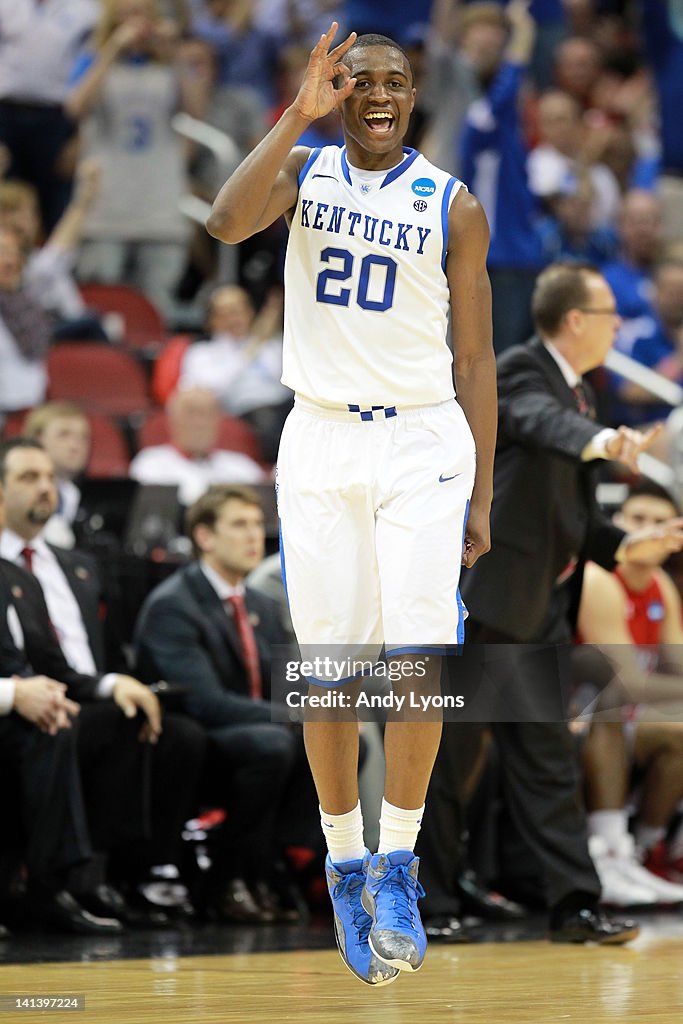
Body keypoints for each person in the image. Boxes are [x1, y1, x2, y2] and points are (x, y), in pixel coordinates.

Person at [207, 22, 497, 984]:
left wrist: (482, 491)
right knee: (329, 669)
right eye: (358, 80)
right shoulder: (302, 167)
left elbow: (474, 361)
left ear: (414, 97)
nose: (377, 95)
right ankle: (343, 865)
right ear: (337, 88)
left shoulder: (452, 205)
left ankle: (401, 863)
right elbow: (223, 221)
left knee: (416, 660)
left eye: (395, 82)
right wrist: (296, 112)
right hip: (321, 433)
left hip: (421, 438)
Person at [460, 260, 683, 943]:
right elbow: (531, 420)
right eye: (611, 311)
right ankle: (432, 901)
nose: (621, 323)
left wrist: (625, 550)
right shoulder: (525, 370)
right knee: (450, 765)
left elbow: (580, 521)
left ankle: (574, 905)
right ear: (576, 320)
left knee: (547, 762)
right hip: (490, 601)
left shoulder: (582, 393)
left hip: (536, 609)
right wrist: (602, 442)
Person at [0, 438, 207, 923]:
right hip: (33, 702)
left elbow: (76, 658)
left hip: (61, 691)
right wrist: (21, 692)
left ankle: (138, 875)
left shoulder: (75, 566)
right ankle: (59, 882)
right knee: (70, 726)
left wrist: (113, 683)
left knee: (177, 734)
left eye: (50, 478)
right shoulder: (9, 570)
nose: (45, 488)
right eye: (29, 478)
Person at [135, 484, 316, 923]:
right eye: (239, 524)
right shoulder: (174, 605)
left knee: (339, 740)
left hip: (254, 729)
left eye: (258, 524)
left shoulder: (261, 603)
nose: (254, 535)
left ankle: (272, 866)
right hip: (189, 740)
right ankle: (227, 876)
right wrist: (293, 715)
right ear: (204, 536)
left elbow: (284, 684)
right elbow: (204, 702)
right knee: (275, 744)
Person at [578, 480, 683, 903]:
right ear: (618, 524)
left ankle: (648, 850)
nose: (651, 530)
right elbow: (629, 681)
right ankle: (614, 852)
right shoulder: (600, 577)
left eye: (661, 522)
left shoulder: (660, 584)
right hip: (578, 709)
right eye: (639, 519)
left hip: (627, 713)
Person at [129, 387, 266, 506]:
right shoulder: (149, 465)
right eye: (191, 412)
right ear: (172, 419)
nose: (200, 423)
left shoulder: (243, 468)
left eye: (208, 414)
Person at [23, 402, 92, 549]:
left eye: (84, 437)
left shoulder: (71, 494)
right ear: (37, 438)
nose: (76, 446)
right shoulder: (13, 492)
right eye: (64, 435)